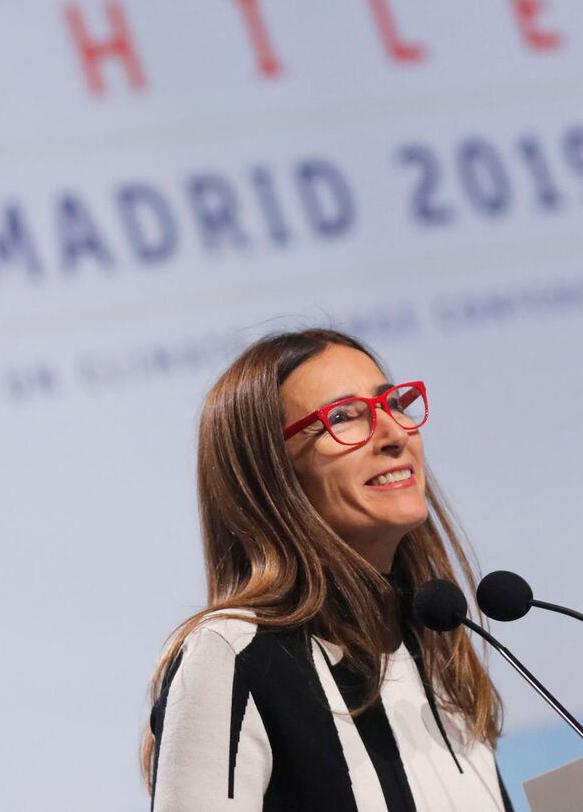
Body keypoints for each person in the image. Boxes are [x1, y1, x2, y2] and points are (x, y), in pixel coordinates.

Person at [143, 328, 512, 810]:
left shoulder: (437, 647)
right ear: (270, 475)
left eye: (393, 404)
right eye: (342, 417)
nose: (394, 434)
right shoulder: (234, 654)